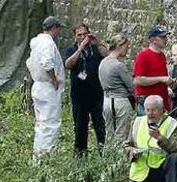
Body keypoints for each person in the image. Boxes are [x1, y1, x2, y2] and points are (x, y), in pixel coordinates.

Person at [64, 23, 107, 156]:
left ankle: (103, 152)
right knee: (80, 126)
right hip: (79, 95)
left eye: (84, 34)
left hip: (96, 94)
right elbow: (68, 64)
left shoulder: (95, 48)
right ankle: (80, 155)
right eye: (79, 35)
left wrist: (97, 42)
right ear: (75, 37)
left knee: (100, 125)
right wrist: (80, 48)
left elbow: (107, 56)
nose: (82, 37)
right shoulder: (71, 49)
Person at [26, 16, 65, 160]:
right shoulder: (47, 44)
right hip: (47, 87)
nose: (59, 32)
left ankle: (38, 154)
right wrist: (54, 79)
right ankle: (46, 156)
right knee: (51, 123)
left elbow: (30, 63)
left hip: (38, 85)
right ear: (54, 28)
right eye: (58, 29)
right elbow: (47, 62)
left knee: (41, 123)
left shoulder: (37, 43)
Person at [124, 95, 177, 182]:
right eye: (147, 110)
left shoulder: (173, 124)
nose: (150, 113)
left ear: (162, 109)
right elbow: (127, 145)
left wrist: (160, 138)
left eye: (154, 110)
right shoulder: (137, 122)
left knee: (175, 158)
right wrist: (132, 152)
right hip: (142, 172)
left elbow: (176, 148)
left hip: (161, 170)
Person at [98, 34, 134, 143]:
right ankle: (119, 159)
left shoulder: (103, 63)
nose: (127, 50)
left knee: (110, 134)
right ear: (120, 46)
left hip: (107, 100)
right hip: (120, 101)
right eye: (126, 47)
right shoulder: (119, 65)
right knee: (122, 135)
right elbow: (132, 86)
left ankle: (108, 158)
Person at [133, 26, 176, 115]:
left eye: (165, 37)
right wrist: (161, 79)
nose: (165, 39)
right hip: (148, 101)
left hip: (161, 99)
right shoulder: (143, 56)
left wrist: (168, 85)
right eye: (162, 37)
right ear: (153, 40)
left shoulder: (162, 56)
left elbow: (159, 76)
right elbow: (138, 80)